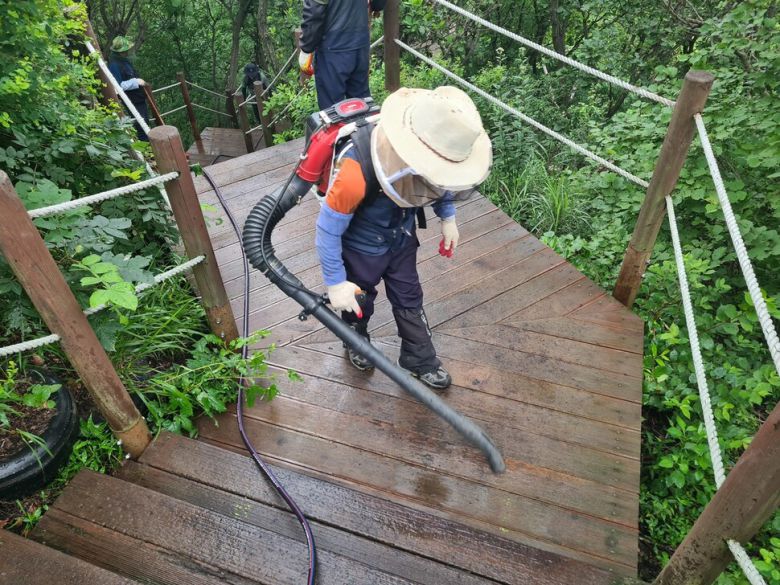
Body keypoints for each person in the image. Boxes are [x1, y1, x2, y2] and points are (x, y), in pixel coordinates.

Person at [315, 86, 492, 389]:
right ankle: (356, 340)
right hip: (361, 246)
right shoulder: (356, 170)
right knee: (359, 298)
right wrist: (335, 282)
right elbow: (327, 228)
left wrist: (448, 218)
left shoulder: (432, 156)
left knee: (409, 296)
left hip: (401, 236)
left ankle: (418, 357)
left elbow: (439, 179)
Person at [299, 0, 387, 110]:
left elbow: (314, 12)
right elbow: (378, 4)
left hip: (333, 48)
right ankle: (364, 127)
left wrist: (306, 48)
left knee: (332, 111)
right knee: (361, 105)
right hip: (360, 44)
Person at [107, 36, 150, 141]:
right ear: (120, 51)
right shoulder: (114, 65)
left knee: (145, 123)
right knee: (141, 126)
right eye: (126, 49)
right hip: (131, 100)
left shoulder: (123, 61)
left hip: (138, 98)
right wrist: (136, 82)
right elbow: (118, 86)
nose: (128, 51)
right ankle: (149, 154)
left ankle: (150, 151)